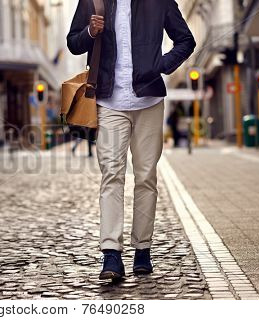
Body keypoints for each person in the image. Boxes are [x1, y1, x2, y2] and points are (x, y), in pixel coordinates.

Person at [67, 0, 195, 280]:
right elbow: (74, 43)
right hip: (109, 101)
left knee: (146, 176)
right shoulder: (93, 1)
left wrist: (161, 65)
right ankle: (111, 254)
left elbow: (186, 40)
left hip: (148, 100)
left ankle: (142, 250)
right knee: (111, 174)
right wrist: (90, 32)